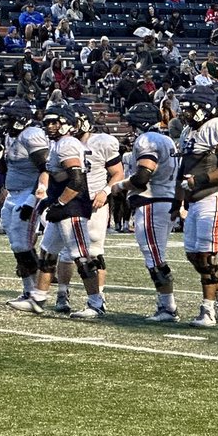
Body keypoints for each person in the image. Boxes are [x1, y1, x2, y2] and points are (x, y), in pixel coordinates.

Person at [8, 105, 108, 320]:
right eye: (48, 122)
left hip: (72, 209)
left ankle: (96, 303)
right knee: (47, 252)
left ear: (69, 125)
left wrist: (59, 204)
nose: (51, 126)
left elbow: (77, 181)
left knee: (81, 256)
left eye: (56, 122)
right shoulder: (59, 144)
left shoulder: (67, 145)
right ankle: (38, 298)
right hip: (61, 208)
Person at [175, 86, 218, 328]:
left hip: (213, 196)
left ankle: (208, 309)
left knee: (207, 254)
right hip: (194, 200)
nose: (186, 113)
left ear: (205, 108)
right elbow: (183, 170)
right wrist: (177, 201)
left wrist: (199, 180)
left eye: (190, 109)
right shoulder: (187, 131)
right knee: (193, 254)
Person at [110, 103, 178, 322]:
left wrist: (120, 186)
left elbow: (142, 177)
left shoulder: (147, 140)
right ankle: (167, 305)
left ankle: (167, 306)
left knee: (154, 256)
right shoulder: (166, 139)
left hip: (152, 201)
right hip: (164, 200)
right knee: (155, 254)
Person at [52, 103, 122, 313]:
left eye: (76, 121)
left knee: (95, 252)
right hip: (72, 203)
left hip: (95, 202)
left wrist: (105, 191)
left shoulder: (102, 142)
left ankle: (98, 298)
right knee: (67, 252)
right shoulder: (64, 143)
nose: (72, 126)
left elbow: (118, 172)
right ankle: (62, 294)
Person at [0, 99, 50, 304]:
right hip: (13, 194)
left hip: (29, 193)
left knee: (24, 243)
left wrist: (31, 199)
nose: (4, 125)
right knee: (16, 245)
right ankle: (29, 290)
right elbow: (4, 170)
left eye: (7, 120)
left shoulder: (31, 135)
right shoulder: (11, 136)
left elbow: (45, 169)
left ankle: (38, 293)